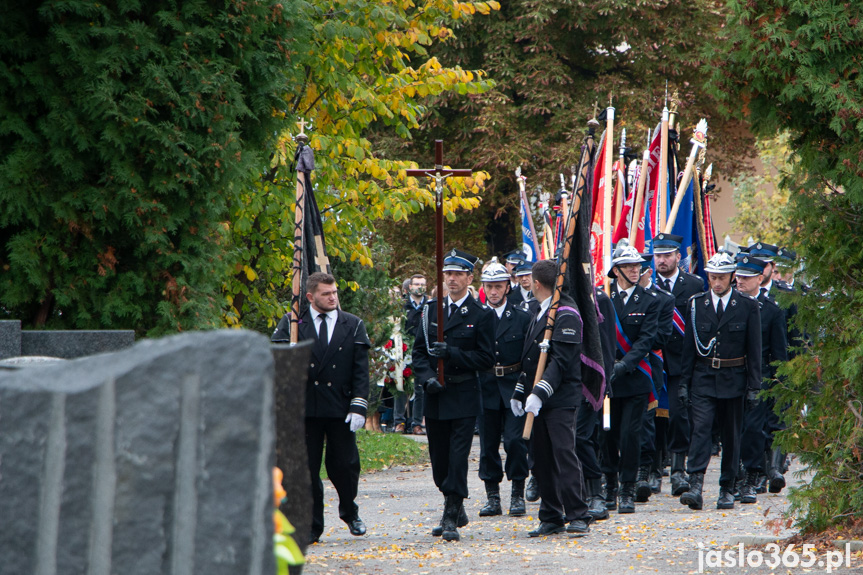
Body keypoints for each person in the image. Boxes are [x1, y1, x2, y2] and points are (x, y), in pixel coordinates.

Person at [270, 272, 371, 543]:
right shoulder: (292, 323)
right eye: (326, 294)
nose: (333, 297)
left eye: (335, 292)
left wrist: (359, 406)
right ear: (310, 296)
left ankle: (350, 511)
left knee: (345, 466)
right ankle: (312, 525)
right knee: (307, 471)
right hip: (306, 408)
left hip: (340, 408)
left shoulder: (352, 324)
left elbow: (361, 371)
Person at [412, 249, 495, 542]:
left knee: (458, 458)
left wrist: (454, 354)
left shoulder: (480, 314)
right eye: (448, 273)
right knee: (440, 462)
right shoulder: (430, 310)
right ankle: (454, 503)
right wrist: (427, 379)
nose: (452, 279)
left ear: (469, 277)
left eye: (458, 273)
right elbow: (418, 353)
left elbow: (486, 358)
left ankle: (451, 512)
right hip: (436, 394)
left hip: (463, 393)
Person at [511, 259, 593, 538]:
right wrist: (521, 390)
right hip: (539, 397)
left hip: (559, 398)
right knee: (541, 459)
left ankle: (578, 514)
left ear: (536, 283)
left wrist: (540, 392)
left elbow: (562, 361)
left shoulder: (566, 313)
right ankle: (551, 515)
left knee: (563, 455)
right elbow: (531, 359)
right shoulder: (539, 311)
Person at [678, 252, 762, 511]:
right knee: (701, 429)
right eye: (713, 277)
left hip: (733, 378)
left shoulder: (747, 306)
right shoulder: (696, 304)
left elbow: (754, 350)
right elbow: (688, 348)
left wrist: (753, 386)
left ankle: (727, 488)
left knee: (731, 435)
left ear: (732, 277)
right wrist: (684, 382)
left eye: (722, 278)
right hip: (703, 377)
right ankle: (695, 484)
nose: (716, 282)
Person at [602, 241, 660, 514]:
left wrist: (624, 365)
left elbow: (646, 340)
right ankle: (609, 487)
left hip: (634, 377)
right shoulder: (602, 299)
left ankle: (627, 488)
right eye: (628, 266)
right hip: (606, 381)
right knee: (607, 436)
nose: (635, 270)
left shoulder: (649, 301)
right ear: (616, 270)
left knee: (630, 436)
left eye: (637, 265)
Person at [476, 261, 532, 517]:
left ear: (508, 287)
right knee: (487, 444)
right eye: (489, 287)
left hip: (513, 386)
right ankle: (492, 496)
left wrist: (525, 388)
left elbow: (529, 356)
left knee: (515, 441)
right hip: (485, 386)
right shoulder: (476, 315)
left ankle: (518, 493)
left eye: (498, 286)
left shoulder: (522, 317)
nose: (494, 292)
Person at [651, 233, 705, 496]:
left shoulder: (694, 285)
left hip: (680, 363)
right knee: (650, 417)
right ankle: (651, 470)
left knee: (679, 417)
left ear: (678, 257)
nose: (662, 260)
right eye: (658, 255)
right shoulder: (646, 285)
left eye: (667, 255)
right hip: (652, 361)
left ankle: (678, 470)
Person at [735, 254, 788, 503]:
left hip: (762, 377)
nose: (740, 281)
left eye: (746, 277)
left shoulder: (772, 310)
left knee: (755, 428)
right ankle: (736, 473)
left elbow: (779, 351)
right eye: (738, 276)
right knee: (733, 427)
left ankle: (753, 473)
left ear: (759, 278)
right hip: (732, 374)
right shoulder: (731, 304)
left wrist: (779, 384)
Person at [635, 255, 674, 502]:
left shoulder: (662, 299)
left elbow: (660, 337)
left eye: (636, 270)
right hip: (625, 364)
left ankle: (648, 470)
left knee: (649, 420)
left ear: (647, 271)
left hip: (649, 364)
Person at [576, 286, 616, 521]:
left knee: (584, 437)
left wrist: (604, 381)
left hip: (588, 383)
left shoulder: (598, 299)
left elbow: (606, 348)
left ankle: (596, 493)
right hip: (558, 382)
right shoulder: (553, 298)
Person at [401, 274, 428, 435]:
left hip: (421, 351)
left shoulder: (429, 304)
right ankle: (399, 422)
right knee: (400, 385)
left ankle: (417, 423)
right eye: (416, 284)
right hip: (403, 347)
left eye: (422, 284)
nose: (419, 287)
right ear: (410, 287)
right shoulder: (402, 305)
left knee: (420, 388)